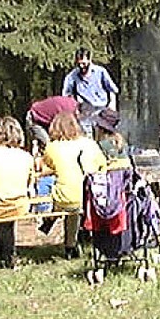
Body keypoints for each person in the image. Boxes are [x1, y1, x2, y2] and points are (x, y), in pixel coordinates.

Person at [40, 110, 107, 258]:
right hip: (92, 198)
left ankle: (54, 224)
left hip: (66, 199)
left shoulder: (52, 147)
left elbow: (48, 167)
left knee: (66, 198)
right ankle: (74, 243)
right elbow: (103, 166)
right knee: (75, 204)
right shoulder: (90, 144)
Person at [0, 116, 35, 269]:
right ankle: (5, 255)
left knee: (0, 209)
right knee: (8, 217)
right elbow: (29, 182)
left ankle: (4, 255)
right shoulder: (26, 157)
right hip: (19, 205)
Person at [61, 47, 119, 135]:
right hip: (85, 111)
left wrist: (112, 105)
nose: (81, 66)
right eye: (79, 64)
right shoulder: (72, 76)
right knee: (87, 135)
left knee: (105, 136)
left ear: (89, 60)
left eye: (84, 63)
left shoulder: (101, 72)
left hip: (102, 110)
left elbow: (112, 90)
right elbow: (66, 96)